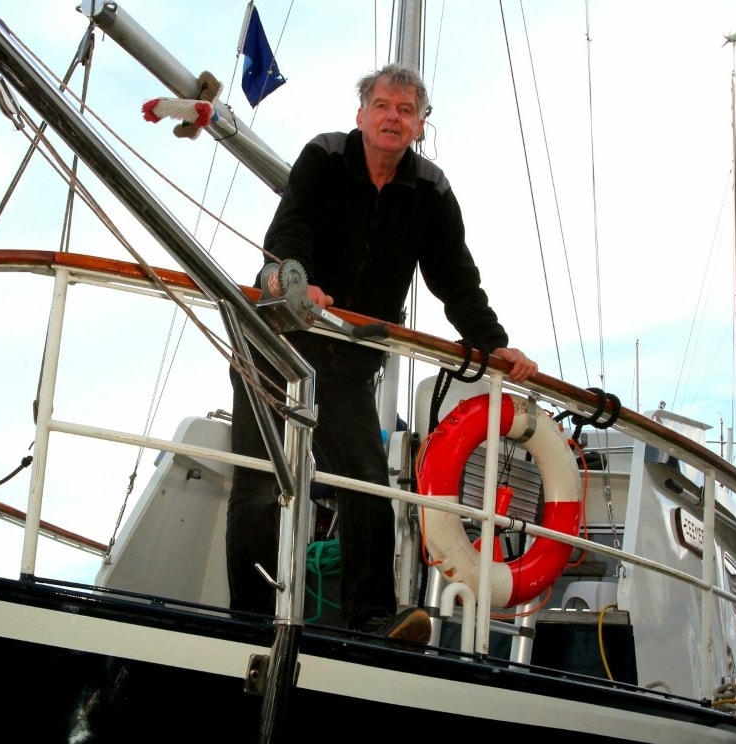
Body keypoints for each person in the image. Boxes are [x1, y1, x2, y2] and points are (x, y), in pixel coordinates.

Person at [225, 63, 538, 643]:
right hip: (272, 345)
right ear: (361, 115)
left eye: (406, 110)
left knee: (367, 483)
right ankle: (248, 618)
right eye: (383, 106)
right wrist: (294, 281)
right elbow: (289, 230)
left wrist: (493, 343)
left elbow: (455, 278)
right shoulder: (323, 156)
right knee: (259, 483)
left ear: (420, 124)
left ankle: (370, 618)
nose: (393, 117)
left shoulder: (430, 190)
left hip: (345, 366)